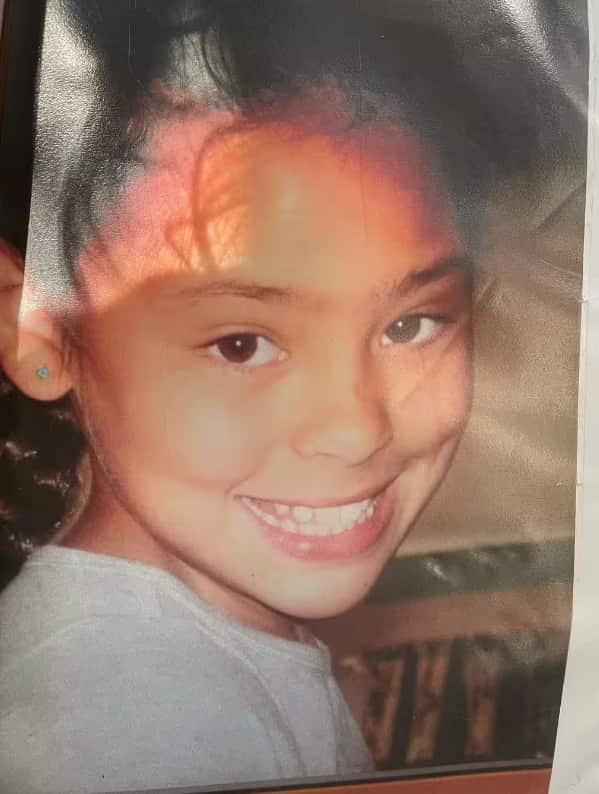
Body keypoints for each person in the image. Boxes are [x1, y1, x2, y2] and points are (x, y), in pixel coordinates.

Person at [0, 2, 501, 791]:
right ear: (37, 335)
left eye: (410, 324)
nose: (355, 428)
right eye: (242, 344)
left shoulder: (186, 651)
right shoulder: (130, 722)